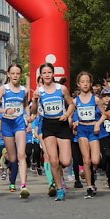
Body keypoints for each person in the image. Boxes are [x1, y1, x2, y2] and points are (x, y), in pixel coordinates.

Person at [31, 63, 75, 201]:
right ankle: (59, 189)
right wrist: (35, 100)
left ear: (53, 74)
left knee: (66, 161)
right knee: (53, 161)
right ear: (41, 75)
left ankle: (60, 176)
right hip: (48, 125)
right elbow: (33, 112)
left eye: (49, 72)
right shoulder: (39, 91)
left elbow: (72, 104)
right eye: (44, 73)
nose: (47, 75)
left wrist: (67, 115)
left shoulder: (61, 89)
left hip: (61, 124)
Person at [0, 63, 31, 198]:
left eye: (17, 73)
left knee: (21, 155)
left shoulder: (24, 90)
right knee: (12, 157)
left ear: (20, 75)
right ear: (8, 74)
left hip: (19, 123)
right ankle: (9, 170)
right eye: (12, 73)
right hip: (7, 124)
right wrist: (5, 110)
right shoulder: (4, 89)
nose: (15, 76)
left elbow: (25, 105)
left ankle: (24, 186)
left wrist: (29, 119)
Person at [73, 71, 106, 198]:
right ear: (78, 84)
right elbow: (71, 114)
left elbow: (105, 113)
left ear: (91, 84)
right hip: (82, 130)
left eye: (87, 81)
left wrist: (98, 124)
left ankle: (94, 171)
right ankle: (89, 186)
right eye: (82, 82)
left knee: (95, 160)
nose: (85, 84)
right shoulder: (75, 101)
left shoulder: (96, 99)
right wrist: (73, 121)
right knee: (86, 160)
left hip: (93, 130)